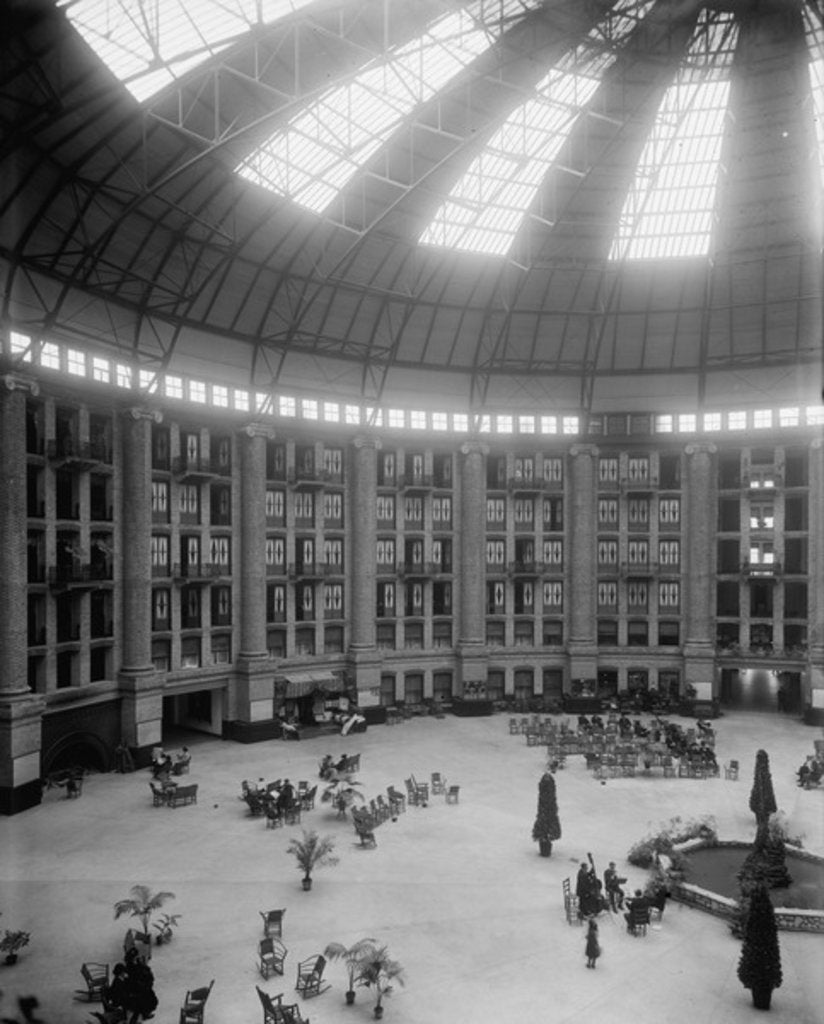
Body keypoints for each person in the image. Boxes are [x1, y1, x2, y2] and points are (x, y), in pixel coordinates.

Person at [125, 948, 158, 1022]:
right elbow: (132, 979)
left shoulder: (138, 963)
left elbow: (143, 969)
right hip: (135, 989)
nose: (137, 959)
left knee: (150, 997)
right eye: (135, 957)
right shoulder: (129, 966)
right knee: (145, 998)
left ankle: (145, 1012)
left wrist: (146, 972)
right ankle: (143, 1013)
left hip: (142, 985)